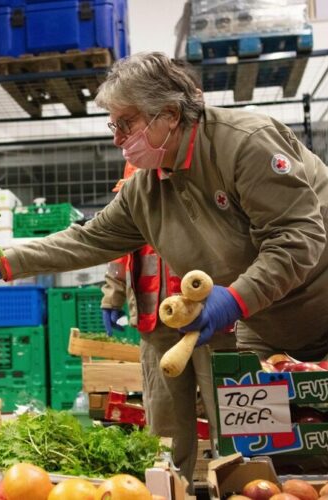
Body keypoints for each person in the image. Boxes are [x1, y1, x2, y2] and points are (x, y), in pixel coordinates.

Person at [0, 52, 328, 480]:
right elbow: (88, 239)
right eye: (112, 125)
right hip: (271, 318)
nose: (117, 137)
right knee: (265, 446)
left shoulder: (246, 144)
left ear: (171, 115)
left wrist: (234, 299)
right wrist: (0, 265)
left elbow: (297, 239)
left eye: (126, 123)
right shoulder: (146, 189)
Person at [102, 163, 236, 481]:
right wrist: (113, 294)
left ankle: (236, 483)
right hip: (155, 317)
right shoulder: (136, 168)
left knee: (227, 410)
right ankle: (173, 487)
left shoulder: (204, 167)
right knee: (166, 417)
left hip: (211, 316)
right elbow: (118, 243)